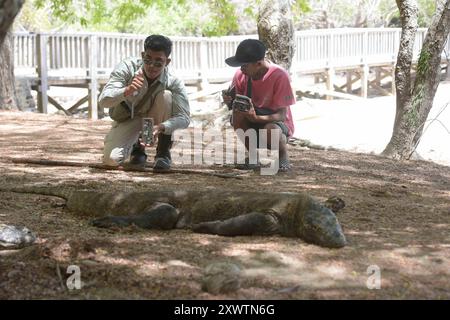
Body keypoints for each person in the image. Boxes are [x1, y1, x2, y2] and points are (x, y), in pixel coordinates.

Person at [99, 35, 190, 170]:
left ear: (167, 61)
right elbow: (103, 101)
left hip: (152, 124)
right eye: (147, 60)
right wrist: (126, 90)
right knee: (111, 160)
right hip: (129, 118)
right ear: (142, 55)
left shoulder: (173, 80)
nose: (152, 66)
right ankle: (137, 149)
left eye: (158, 62)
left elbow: (184, 118)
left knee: (166, 96)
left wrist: (162, 127)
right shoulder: (127, 68)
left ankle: (163, 152)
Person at [223, 39, 296, 173]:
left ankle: (282, 156)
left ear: (258, 64)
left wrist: (256, 118)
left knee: (271, 129)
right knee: (236, 115)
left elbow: (281, 115)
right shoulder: (241, 75)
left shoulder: (279, 75)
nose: (241, 69)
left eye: (245, 65)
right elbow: (238, 106)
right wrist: (229, 101)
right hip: (251, 120)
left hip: (276, 124)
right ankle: (252, 157)